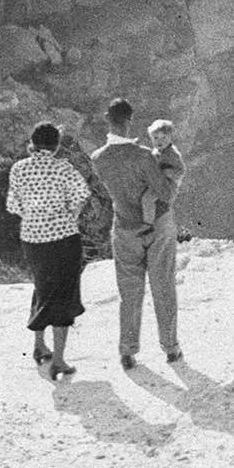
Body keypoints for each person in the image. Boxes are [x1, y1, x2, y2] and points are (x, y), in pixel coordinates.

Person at [90, 98, 181, 370]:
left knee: (129, 292)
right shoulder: (143, 155)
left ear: (108, 119)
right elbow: (165, 193)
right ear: (130, 120)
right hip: (158, 227)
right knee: (163, 286)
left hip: (125, 228)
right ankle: (171, 348)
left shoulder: (98, 159)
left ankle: (128, 352)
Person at [6, 121, 91, 380]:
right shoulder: (63, 168)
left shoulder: (18, 169)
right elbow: (81, 196)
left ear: (33, 142)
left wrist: (34, 217)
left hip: (32, 239)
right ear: (55, 146)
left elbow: (13, 206)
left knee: (42, 288)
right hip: (63, 238)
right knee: (64, 294)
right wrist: (68, 215)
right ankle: (60, 360)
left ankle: (39, 346)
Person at [146, 118, 186, 226]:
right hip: (158, 184)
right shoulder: (157, 151)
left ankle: (148, 224)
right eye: (156, 138)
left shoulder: (172, 154)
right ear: (151, 138)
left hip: (168, 187)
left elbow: (181, 171)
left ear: (170, 138)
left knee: (147, 199)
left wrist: (168, 172)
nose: (160, 141)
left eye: (164, 137)